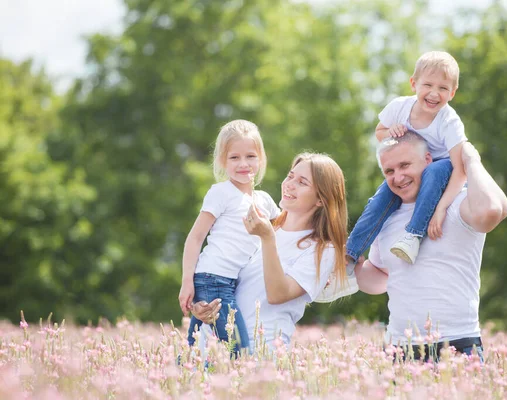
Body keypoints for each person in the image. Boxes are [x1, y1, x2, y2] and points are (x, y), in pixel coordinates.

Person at [316, 50, 467, 303]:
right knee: (381, 197)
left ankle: (413, 235)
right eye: (427, 85)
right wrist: (390, 132)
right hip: (409, 167)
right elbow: (379, 132)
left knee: (434, 170)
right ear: (413, 84)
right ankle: (349, 257)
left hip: (440, 168)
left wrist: (441, 209)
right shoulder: (400, 107)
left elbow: (461, 168)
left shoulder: (449, 121)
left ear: (452, 93)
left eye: (443, 88)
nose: (433, 93)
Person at [355, 132, 507, 361]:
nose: (398, 177)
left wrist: (469, 159)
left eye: (405, 165)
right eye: (389, 171)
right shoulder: (386, 218)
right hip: (399, 349)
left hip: (456, 345)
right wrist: (351, 265)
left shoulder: (458, 203)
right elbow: (381, 276)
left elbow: (492, 211)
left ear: (428, 160)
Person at [192, 152, 348, 351]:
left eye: (302, 182)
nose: (289, 184)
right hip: (215, 347)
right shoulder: (263, 226)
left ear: (321, 199)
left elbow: (277, 294)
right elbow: (224, 278)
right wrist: (201, 305)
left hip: (261, 351)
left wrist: (267, 239)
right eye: (290, 176)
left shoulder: (323, 250)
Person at [178, 120, 280, 353]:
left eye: (250, 156)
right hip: (212, 279)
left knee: (194, 351)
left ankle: (181, 383)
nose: (243, 164)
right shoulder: (221, 193)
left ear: (261, 159)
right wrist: (187, 281)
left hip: (232, 282)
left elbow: (289, 225)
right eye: (234, 157)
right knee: (238, 350)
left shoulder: (264, 200)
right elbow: (195, 238)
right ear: (223, 161)